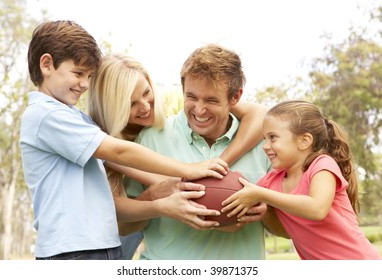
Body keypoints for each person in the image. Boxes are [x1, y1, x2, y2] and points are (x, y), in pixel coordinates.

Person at [20, 20, 229, 260]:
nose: (85, 84)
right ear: (46, 64)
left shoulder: (73, 117)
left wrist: (180, 190)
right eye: (78, 74)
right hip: (73, 251)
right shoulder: (45, 115)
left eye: (88, 76)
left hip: (101, 246)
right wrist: (189, 170)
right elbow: (120, 153)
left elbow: (124, 165)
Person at [87, 54, 268, 259]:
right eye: (130, 104)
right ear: (113, 109)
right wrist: (171, 199)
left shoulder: (179, 98)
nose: (146, 107)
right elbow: (129, 209)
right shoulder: (106, 141)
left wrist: (217, 167)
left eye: (147, 92)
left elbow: (260, 115)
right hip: (129, 212)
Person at [222, 100, 382, 260]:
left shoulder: (322, 165)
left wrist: (260, 194)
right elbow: (242, 207)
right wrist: (215, 218)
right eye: (264, 138)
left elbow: (317, 209)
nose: (265, 146)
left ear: (304, 141)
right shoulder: (269, 182)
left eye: (273, 138)